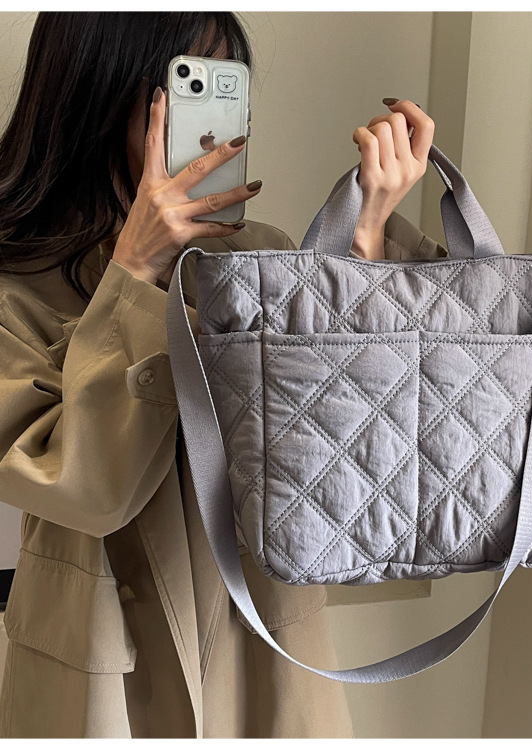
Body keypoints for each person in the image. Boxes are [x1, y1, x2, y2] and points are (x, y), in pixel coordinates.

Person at [0, 11, 446, 739]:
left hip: (264, 643)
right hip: (99, 661)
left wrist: (368, 230)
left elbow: (364, 452)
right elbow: (81, 489)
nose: (213, 123)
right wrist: (134, 273)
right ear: (98, 92)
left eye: (224, 85)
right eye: (188, 85)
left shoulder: (258, 260)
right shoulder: (15, 284)